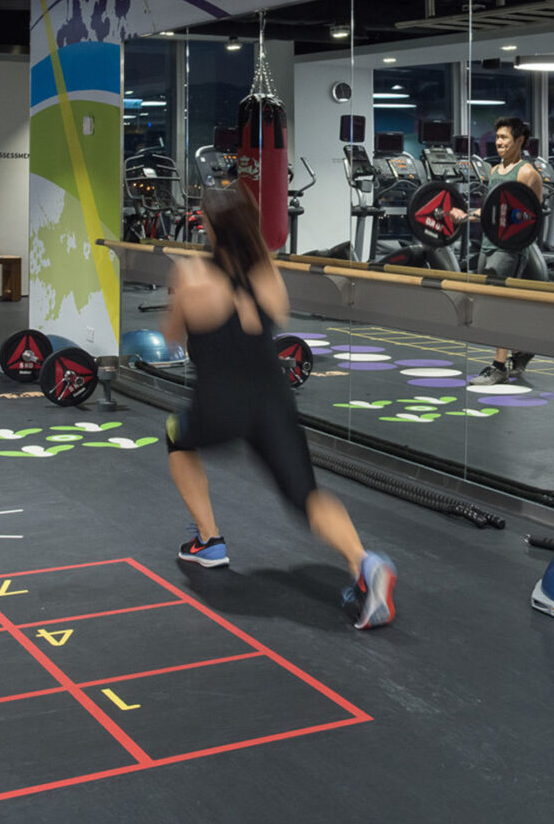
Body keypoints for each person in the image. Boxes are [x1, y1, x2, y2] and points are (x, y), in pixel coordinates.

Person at [160, 189, 397, 630]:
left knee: (176, 433)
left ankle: (209, 542)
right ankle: (363, 563)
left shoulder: (190, 274)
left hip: (220, 405)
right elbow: (278, 317)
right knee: (305, 495)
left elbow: (172, 336)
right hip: (273, 400)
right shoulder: (269, 271)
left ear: (210, 228)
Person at [470, 115, 546, 386]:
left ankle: (499, 365)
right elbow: (493, 210)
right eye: (498, 137)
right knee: (489, 302)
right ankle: (521, 351)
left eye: (505, 138)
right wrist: (467, 215)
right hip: (488, 245)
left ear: (520, 141)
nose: (499, 143)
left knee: (498, 304)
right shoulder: (494, 171)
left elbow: (529, 218)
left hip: (510, 248)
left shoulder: (527, 174)